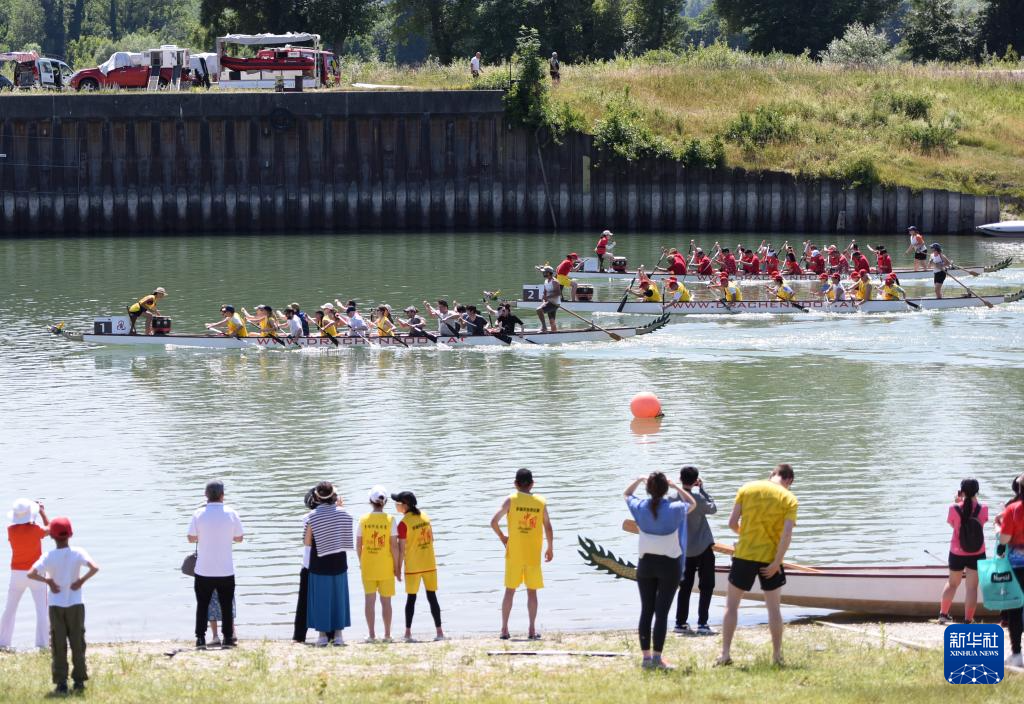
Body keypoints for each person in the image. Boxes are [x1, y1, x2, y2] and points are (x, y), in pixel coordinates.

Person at [718, 464, 797, 667]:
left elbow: (732, 523)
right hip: (770, 558)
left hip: (744, 554)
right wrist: (777, 562)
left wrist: (745, 535)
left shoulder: (747, 488)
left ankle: (725, 654)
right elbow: (787, 534)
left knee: (731, 606)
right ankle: (777, 657)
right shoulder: (789, 498)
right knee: (774, 609)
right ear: (788, 480)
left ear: (772, 473)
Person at [624, 473, 694, 670]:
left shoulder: (640, 507)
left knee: (646, 611)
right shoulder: (675, 508)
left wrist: (639, 479)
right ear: (666, 489)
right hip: (670, 565)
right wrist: (676, 486)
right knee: (661, 613)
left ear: (648, 489)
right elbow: (692, 503)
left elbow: (627, 494)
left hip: (646, 565)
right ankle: (657, 658)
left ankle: (646, 659)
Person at [26, 517, 98, 695]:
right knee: (77, 643)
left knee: (58, 645)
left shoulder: (48, 556)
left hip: (56, 605)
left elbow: (31, 573)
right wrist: (80, 581)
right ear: (70, 534)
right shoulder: (78, 552)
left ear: (51, 536)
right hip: (76, 604)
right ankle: (79, 681)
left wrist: (48, 581)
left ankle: (61, 683)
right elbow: (94, 568)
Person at [490, 469, 553, 640]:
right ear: (532, 484)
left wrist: (503, 537)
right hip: (533, 554)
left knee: (509, 591)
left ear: (515, 484)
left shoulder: (511, 500)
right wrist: (550, 547)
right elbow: (548, 527)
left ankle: (504, 630)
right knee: (532, 592)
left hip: (514, 554)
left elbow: (493, 522)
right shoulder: (540, 502)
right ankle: (531, 630)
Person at [187, 480, 244, 650]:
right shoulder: (232, 513)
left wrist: (203, 535)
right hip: (225, 569)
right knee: (226, 605)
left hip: (204, 569)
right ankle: (227, 638)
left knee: (202, 605)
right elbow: (239, 538)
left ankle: (200, 639)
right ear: (222, 495)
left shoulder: (198, 513)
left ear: (206, 495)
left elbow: (191, 538)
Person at [305, 482, 354, 647]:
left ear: (317, 497)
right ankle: (339, 635)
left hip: (319, 563)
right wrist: (340, 508)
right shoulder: (344, 513)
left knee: (321, 599)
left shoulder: (312, 516)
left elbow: (307, 542)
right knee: (339, 598)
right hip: (339, 562)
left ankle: (322, 636)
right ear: (334, 495)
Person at [393, 491, 444, 642]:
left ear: (405, 505)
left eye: (398, 503)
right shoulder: (425, 517)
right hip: (429, 563)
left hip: (413, 566)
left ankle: (408, 634)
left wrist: (397, 569)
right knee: (432, 597)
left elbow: (401, 549)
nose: (396, 505)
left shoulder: (403, 524)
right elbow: (432, 539)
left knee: (411, 599)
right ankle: (440, 633)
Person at [0, 499, 50, 651]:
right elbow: (50, 528)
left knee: (10, 608)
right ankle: (42, 644)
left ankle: (2, 642)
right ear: (31, 514)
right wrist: (42, 512)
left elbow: (23, 528)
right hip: (36, 573)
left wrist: (32, 515)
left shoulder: (11, 530)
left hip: (16, 573)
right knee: (41, 609)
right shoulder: (36, 530)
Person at [674, 467, 717, 636]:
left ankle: (680, 623)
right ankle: (703, 624)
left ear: (680, 478)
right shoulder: (697, 499)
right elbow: (713, 508)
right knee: (707, 586)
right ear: (695, 481)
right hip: (703, 548)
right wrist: (703, 490)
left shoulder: (671, 498)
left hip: (683, 549)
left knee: (684, 587)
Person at [938, 479, 987, 625]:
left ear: (962, 492)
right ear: (977, 492)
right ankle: (968, 619)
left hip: (957, 552)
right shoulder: (983, 508)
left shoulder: (953, 508)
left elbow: (953, 525)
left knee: (952, 583)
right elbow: (982, 523)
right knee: (971, 588)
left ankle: (943, 615)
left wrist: (958, 502)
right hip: (977, 552)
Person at [356, 486, 399, 642]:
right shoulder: (390, 520)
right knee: (386, 601)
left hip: (368, 566)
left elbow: (358, 544)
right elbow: (394, 546)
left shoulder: (363, 520)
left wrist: (361, 562)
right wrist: (397, 567)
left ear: (370, 501)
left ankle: (371, 635)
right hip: (386, 566)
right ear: (385, 502)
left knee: (369, 600)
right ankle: (387, 635)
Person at [997, 472, 1024, 667]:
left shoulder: (1012, 509)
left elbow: (1005, 539)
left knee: (1015, 608)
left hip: (1017, 566)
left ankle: (1017, 654)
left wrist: (999, 529)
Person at [294, 487, 319, 644]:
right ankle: (329, 633)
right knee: (324, 599)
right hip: (321, 565)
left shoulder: (307, 517)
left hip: (307, 564)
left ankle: (299, 636)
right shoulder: (317, 517)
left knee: (303, 602)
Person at [536, 266, 561, 333]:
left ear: (549, 273)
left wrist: (548, 297)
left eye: (544, 272)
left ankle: (544, 328)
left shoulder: (554, 282)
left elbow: (558, 293)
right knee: (552, 321)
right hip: (549, 302)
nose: (543, 273)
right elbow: (545, 291)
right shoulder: (546, 281)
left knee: (539, 310)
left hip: (555, 303)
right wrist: (544, 297)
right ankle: (554, 334)